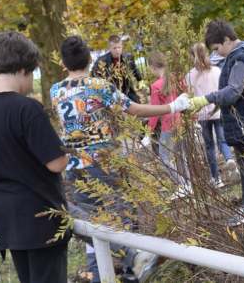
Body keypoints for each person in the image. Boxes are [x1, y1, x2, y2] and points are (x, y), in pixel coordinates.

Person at [50, 36, 190, 283]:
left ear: (63, 62)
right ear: (89, 58)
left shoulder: (55, 90)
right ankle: (133, 267)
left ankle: (99, 276)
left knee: (92, 224)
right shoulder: (99, 86)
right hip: (103, 162)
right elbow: (134, 109)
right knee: (124, 214)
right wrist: (172, 107)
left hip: (74, 167)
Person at [0, 31, 71, 283]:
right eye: (32, 74)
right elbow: (57, 163)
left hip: (4, 215)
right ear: (22, 70)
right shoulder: (27, 108)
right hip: (41, 216)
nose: (31, 82)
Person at [187, 20, 244, 226]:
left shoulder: (240, 58)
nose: (216, 54)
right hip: (241, 119)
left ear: (227, 40)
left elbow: (234, 90)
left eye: (217, 48)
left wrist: (206, 99)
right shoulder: (235, 56)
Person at [185, 42, 236, 187]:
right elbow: (223, 89)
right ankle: (228, 158)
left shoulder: (189, 76)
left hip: (202, 114)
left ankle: (216, 178)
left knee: (209, 146)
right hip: (218, 110)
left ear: (192, 57)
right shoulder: (216, 70)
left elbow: (190, 96)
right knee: (222, 139)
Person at [148, 50, 192, 195]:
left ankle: (182, 184)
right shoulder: (176, 78)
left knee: (164, 157)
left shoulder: (156, 86)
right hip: (180, 121)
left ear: (153, 67)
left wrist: (148, 131)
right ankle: (188, 184)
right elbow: (187, 95)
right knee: (181, 155)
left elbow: (154, 111)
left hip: (167, 125)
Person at [92, 34, 143, 103]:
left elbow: (134, 69)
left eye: (119, 47)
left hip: (127, 90)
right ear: (110, 48)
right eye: (114, 48)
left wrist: (140, 81)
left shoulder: (128, 57)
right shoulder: (101, 61)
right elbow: (94, 77)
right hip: (111, 92)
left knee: (137, 104)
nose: (117, 50)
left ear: (122, 47)